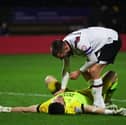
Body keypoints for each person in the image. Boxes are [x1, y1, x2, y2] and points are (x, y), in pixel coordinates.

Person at [51, 26, 122, 108]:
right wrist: (62, 89)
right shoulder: (64, 45)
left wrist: (78, 72)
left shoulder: (80, 44)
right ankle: (97, 94)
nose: (62, 58)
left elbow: (93, 60)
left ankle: (99, 104)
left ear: (66, 48)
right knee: (85, 71)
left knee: (93, 70)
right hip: (99, 43)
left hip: (111, 40)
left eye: (62, 56)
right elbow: (66, 68)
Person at [0, 71, 126, 116]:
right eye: (60, 101)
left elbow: (25, 109)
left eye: (56, 100)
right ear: (65, 106)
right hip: (88, 94)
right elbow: (93, 109)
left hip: (69, 91)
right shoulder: (74, 108)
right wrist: (113, 112)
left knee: (48, 79)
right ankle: (107, 100)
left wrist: (6, 109)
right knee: (112, 75)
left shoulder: (45, 106)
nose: (58, 98)